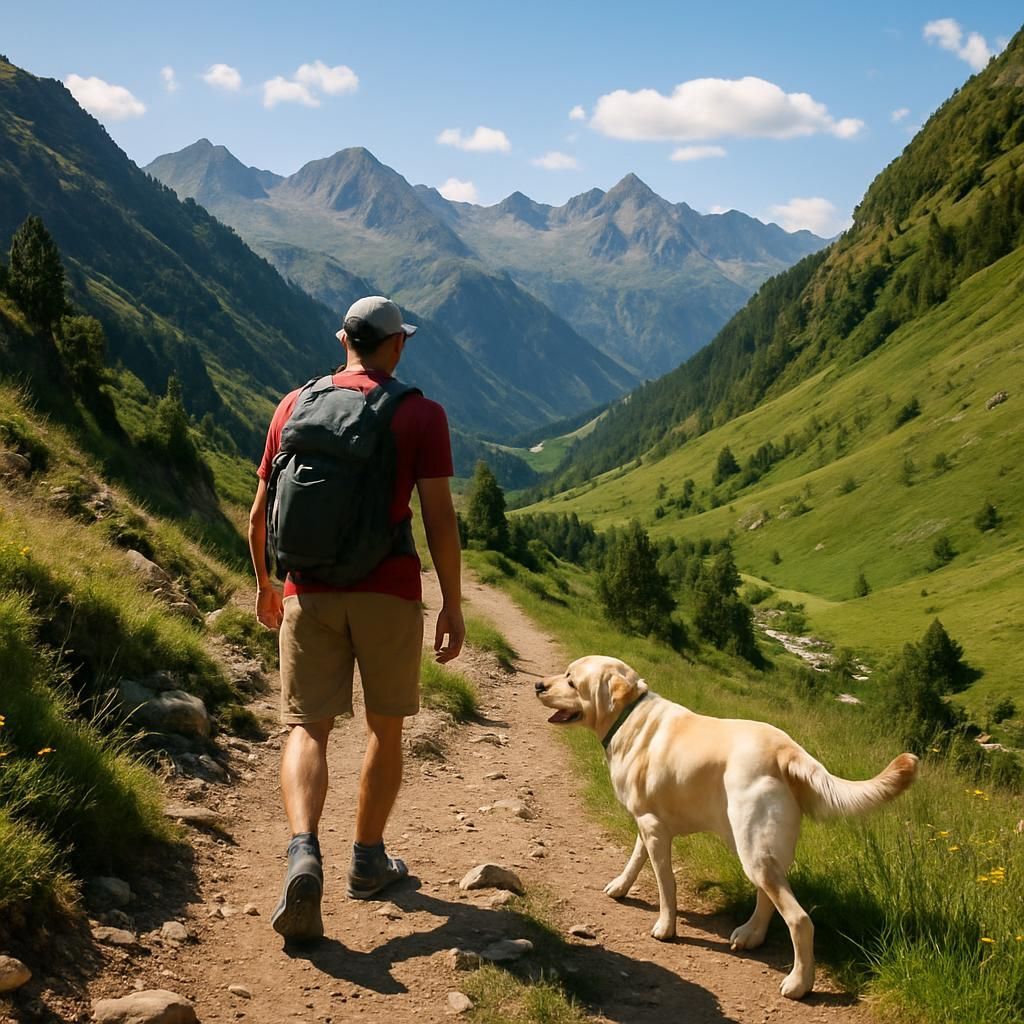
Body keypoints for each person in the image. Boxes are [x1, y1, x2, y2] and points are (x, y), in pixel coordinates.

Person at [247, 295, 465, 942]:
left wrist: (265, 584)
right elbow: (439, 518)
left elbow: (259, 515)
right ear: (398, 346)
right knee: (384, 730)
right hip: (388, 592)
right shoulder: (421, 414)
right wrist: (452, 600)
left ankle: (302, 852)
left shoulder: (293, 405)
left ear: (343, 339)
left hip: (305, 591)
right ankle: (367, 859)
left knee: (307, 729)